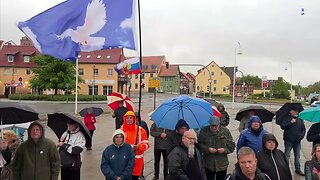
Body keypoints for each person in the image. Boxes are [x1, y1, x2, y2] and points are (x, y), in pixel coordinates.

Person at [120, 111, 150, 180]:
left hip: (137, 162)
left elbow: (146, 144)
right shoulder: (121, 130)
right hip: (124, 162)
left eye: (131, 118)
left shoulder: (141, 130)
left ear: (134, 119)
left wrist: (138, 147)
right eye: (127, 118)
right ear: (125, 119)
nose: (129, 120)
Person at [280, 108, 306, 176]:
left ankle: (298, 169)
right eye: (295, 111)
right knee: (287, 155)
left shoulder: (300, 119)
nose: (297, 112)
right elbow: (282, 126)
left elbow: (303, 129)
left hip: (297, 141)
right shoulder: (286, 118)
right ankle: (285, 169)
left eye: (297, 111)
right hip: (288, 140)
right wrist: (290, 122)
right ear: (291, 111)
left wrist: (301, 136)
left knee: (297, 156)